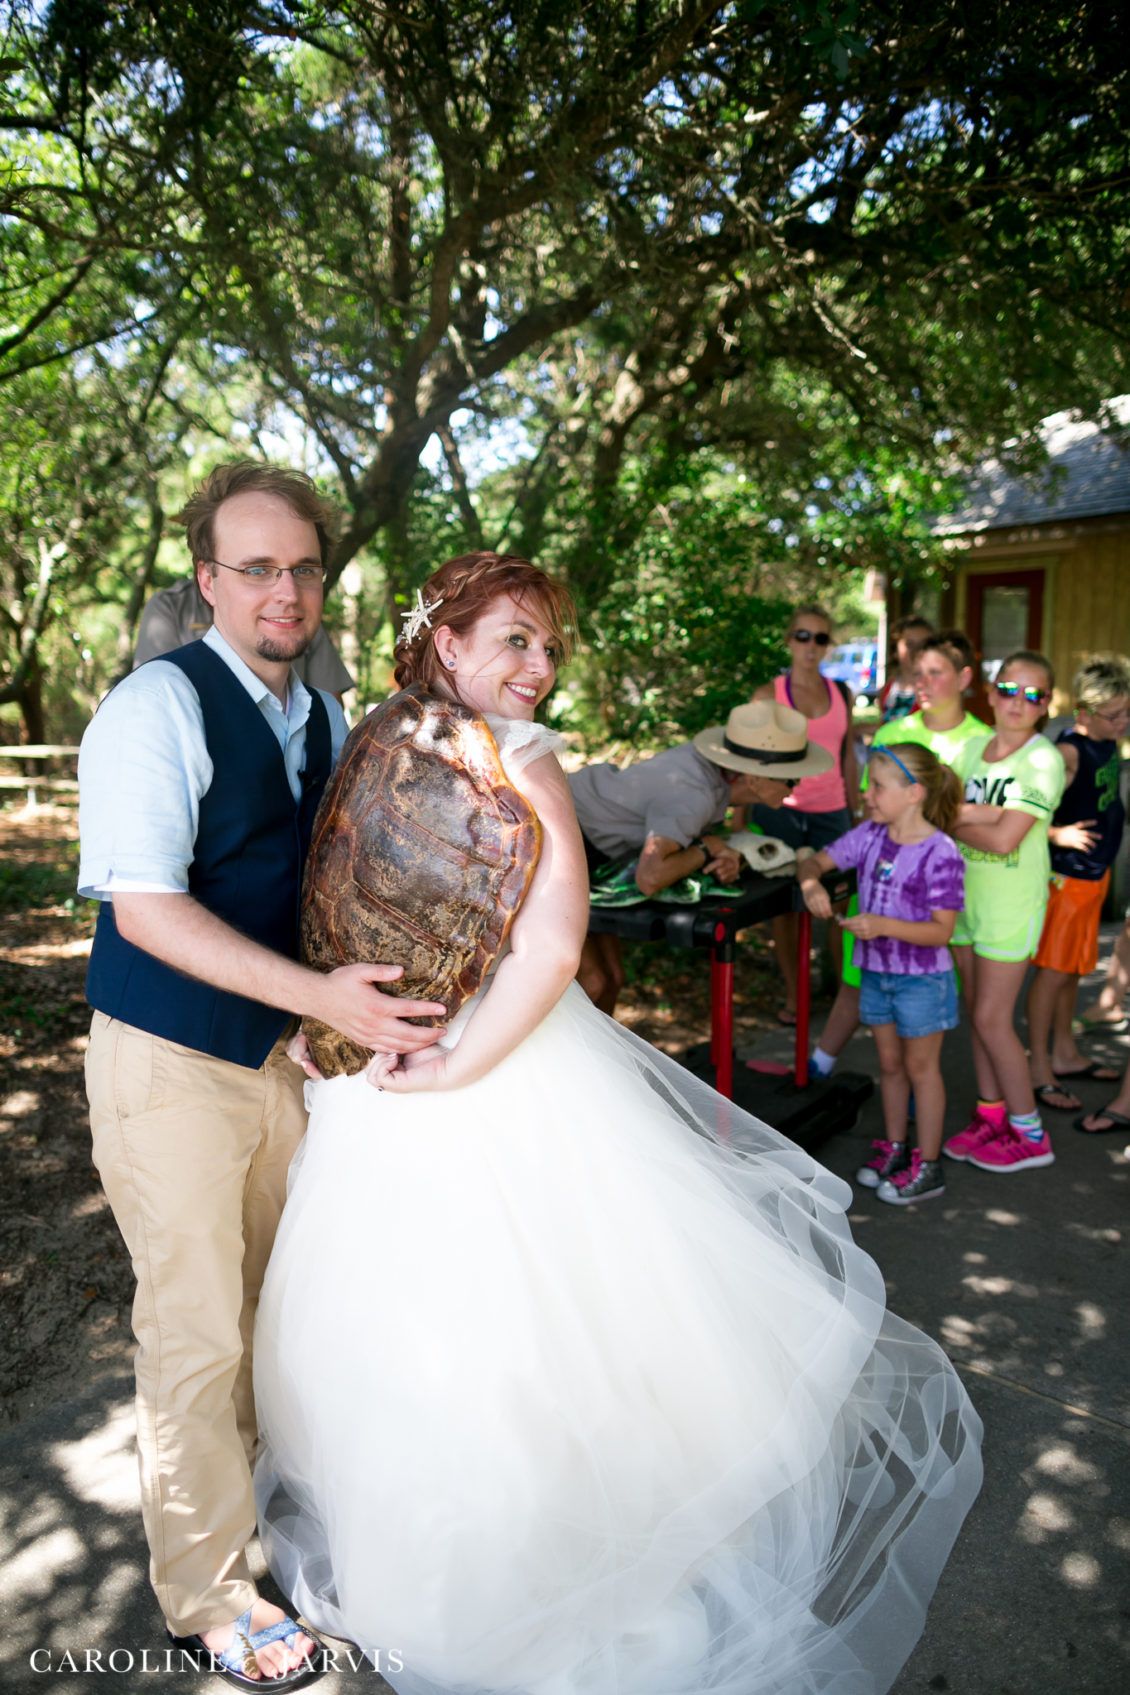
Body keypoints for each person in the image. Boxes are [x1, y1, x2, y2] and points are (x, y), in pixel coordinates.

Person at [252, 552, 982, 1695]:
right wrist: (330, 1013)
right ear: (444, 643)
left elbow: (548, 947)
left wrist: (454, 1069)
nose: (537, 669)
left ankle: (523, 1569)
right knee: (392, 1325)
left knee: (520, 1331)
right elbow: (353, 874)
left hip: (489, 1069)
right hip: (386, 1064)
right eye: (513, 641)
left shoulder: (526, 758)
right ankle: (421, 1552)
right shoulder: (397, 735)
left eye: (548, 647)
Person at [78, 461, 445, 1689]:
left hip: (283, 1065)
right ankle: (209, 1593)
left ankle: (248, 1527)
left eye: (301, 567)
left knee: (268, 1324)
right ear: (208, 583)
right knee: (191, 1333)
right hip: (166, 1067)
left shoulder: (328, 719)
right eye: (255, 568)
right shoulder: (155, 709)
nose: (282, 590)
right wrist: (316, 1000)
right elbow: (146, 913)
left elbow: (322, 894)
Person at [569, 701, 835, 1013]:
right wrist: (707, 848)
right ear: (755, 779)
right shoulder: (694, 793)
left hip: (592, 850)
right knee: (594, 982)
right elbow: (650, 878)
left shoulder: (713, 777)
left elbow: (681, 834)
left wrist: (717, 852)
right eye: (790, 778)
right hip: (559, 834)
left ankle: (602, 1061)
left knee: (612, 977)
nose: (795, 787)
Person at [809, 628, 988, 1080]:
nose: (923, 683)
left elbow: (984, 815)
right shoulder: (893, 731)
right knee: (864, 977)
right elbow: (874, 808)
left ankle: (983, 1103)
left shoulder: (982, 741)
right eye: (916, 673)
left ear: (964, 677)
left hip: (959, 886)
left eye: (936, 673)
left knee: (959, 1000)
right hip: (887, 878)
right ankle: (825, 1068)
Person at [798, 745, 965, 1205]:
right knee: (890, 1066)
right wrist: (811, 883)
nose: (867, 795)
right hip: (875, 974)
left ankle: (928, 1166)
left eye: (877, 787)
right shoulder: (869, 835)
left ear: (913, 793)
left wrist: (882, 926)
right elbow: (814, 861)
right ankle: (895, 1149)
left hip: (922, 982)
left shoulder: (941, 852)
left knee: (921, 1070)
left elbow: (942, 932)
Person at [943, 651, 1066, 1173]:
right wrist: (980, 814)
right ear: (991, 694)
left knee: (994, 1018)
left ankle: (1029, 1131)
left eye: (1033, 695)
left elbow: (1005, 838)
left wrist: (959, 815)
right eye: (1010, 690)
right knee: (979, 1015)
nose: (1019, 702)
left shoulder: (1043, 759)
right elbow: (939, 813)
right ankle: (991, 1117)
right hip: (964, 901)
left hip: (1010, 906)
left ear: (1045, 707)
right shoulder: (971, 749)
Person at [1025, 658, 1130, 1113]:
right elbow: (1026, 811)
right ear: (1084, 714)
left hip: (1094, 876)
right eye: (1114, 716)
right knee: (1051, 974)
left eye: (1128, 713)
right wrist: (1055, 834)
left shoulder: (1108, 744)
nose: (1123, 723)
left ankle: (1065, 1053)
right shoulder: (1067, 753)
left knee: (1070, 971)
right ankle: (1038, 1068)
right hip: (1066, 880)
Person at [749, 605, 862, 1025]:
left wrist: (857, 808)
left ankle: (840, 993)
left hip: (833, 813)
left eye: (820, 638)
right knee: (786, 911)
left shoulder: (842, 694)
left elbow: (848, 754)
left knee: (839, 908)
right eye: (802, 636)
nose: (811, 646)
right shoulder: (768, 695)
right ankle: (795, 997)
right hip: (781, 813)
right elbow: (751, 765)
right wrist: (739, 824)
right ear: (788, 640)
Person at [134, 573, 356, 701]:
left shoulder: (296, 607)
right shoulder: (171, 605)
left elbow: (330, 707)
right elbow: (154, 698)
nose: (287, 594)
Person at [877, 614, 934, 723]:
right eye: (910, 644)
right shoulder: (887, 689)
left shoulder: (934, 689)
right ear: (895, 650)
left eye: (923, 645)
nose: (916, 651)